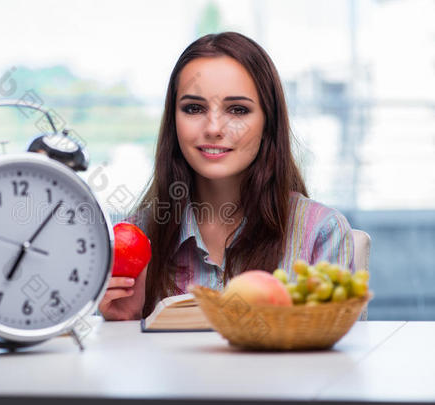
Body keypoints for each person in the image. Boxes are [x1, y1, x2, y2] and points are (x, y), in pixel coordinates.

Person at [98, 32, 355, 321]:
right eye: (194, 108)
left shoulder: (321, 233)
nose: (214, 128)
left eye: (237, 110)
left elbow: (334, 360)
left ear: (268, 123)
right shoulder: (136, 235)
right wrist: (124, 323)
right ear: (173, 121)